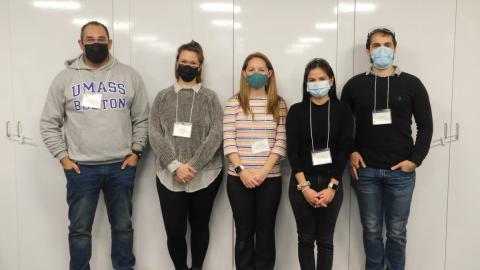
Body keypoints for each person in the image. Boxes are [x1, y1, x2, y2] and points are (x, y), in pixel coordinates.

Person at [40, 21, 149, 270]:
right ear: (80, 44)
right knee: (79, 231)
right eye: (90, 40)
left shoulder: (129, 76)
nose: (96, 44)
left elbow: (142, 118)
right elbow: (48, 123)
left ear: (110, 43)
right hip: (81, 170)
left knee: (122, 228)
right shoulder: (65, 79)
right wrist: (64, 158)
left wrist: (136, 152)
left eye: (101, 39)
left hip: (121, 167)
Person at [341, 28, 433, 270]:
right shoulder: (354, 85)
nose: (382, 49)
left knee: (396, 233)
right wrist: (351, 151)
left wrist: (415, 160)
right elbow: (341, 125)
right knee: (371, 231)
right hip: (366, 172)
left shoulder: (412, 84)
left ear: (395, 48)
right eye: (376, 45)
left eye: (387, 44)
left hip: (401, 173)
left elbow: (425, 126)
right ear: (368, 51)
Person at [149, 40, 223, 270]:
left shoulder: (210, 98)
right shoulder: (162, 97)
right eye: (184, 62)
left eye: (193, 63)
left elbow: (216, 134)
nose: (188, 66)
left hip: (206, 176)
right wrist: (174, 166)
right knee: (175, 230)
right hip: (168, 176)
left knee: (200, 227)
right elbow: (154, 133)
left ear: (200, 67)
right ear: (176, 63)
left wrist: (192, 166)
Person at [286, 58, 353, 270]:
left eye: (322, 78)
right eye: (312, 80)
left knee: (325, 241)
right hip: (301, 183)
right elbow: (293, 152)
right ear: (305, 84)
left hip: (331, 184)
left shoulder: (342, 110)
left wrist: (332, 187)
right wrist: (304, 187)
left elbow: (344, 150)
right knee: (305, 239)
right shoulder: (296, 111)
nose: (317, 83)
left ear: (331, 81)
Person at [223, 52, 287, 270]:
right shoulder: (233, 103)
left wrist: (262, 172)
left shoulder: (278, 104)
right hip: (238, 179)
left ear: (269, 74)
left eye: (261, 70)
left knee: (266, 233)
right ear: (244, 73)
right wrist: (242, 171)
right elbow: (228, 139)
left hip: (269, 180)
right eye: (251, 69)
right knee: (243, 233)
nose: (256, 73)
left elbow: (280, 142)